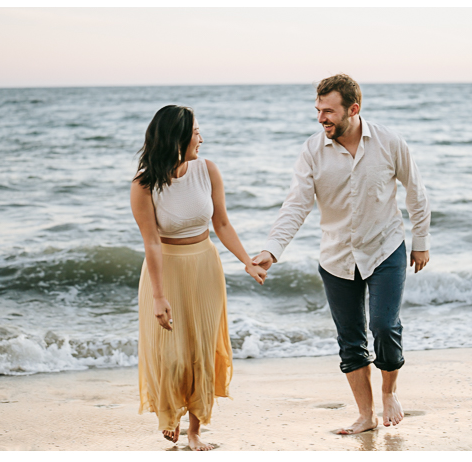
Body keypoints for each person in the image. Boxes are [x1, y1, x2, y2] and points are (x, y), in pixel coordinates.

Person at [252, 74, 430, 435]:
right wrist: (272, 249)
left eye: (329, 111)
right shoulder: (311, 151)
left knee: (384, 326)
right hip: (335, 257)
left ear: (354, 109)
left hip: (385, 248)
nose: (321, 119)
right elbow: (296, 205)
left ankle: (389, 392)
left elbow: (416, 192)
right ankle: (366, 416)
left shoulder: (389, 142)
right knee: (350, 342)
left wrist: (421, 242)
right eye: (318, 111)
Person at [131, 105, 266, 449]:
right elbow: (151, 243)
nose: (201, 140)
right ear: (177, 138)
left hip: (205, 265)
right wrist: (159, 296)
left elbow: (221, 223)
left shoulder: (208, 170)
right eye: (195, 134)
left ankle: (194, 432)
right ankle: (169, 414)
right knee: (172, 354)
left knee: (202, 350)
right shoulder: (144, 184)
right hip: (166, 270)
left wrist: (246, 261)